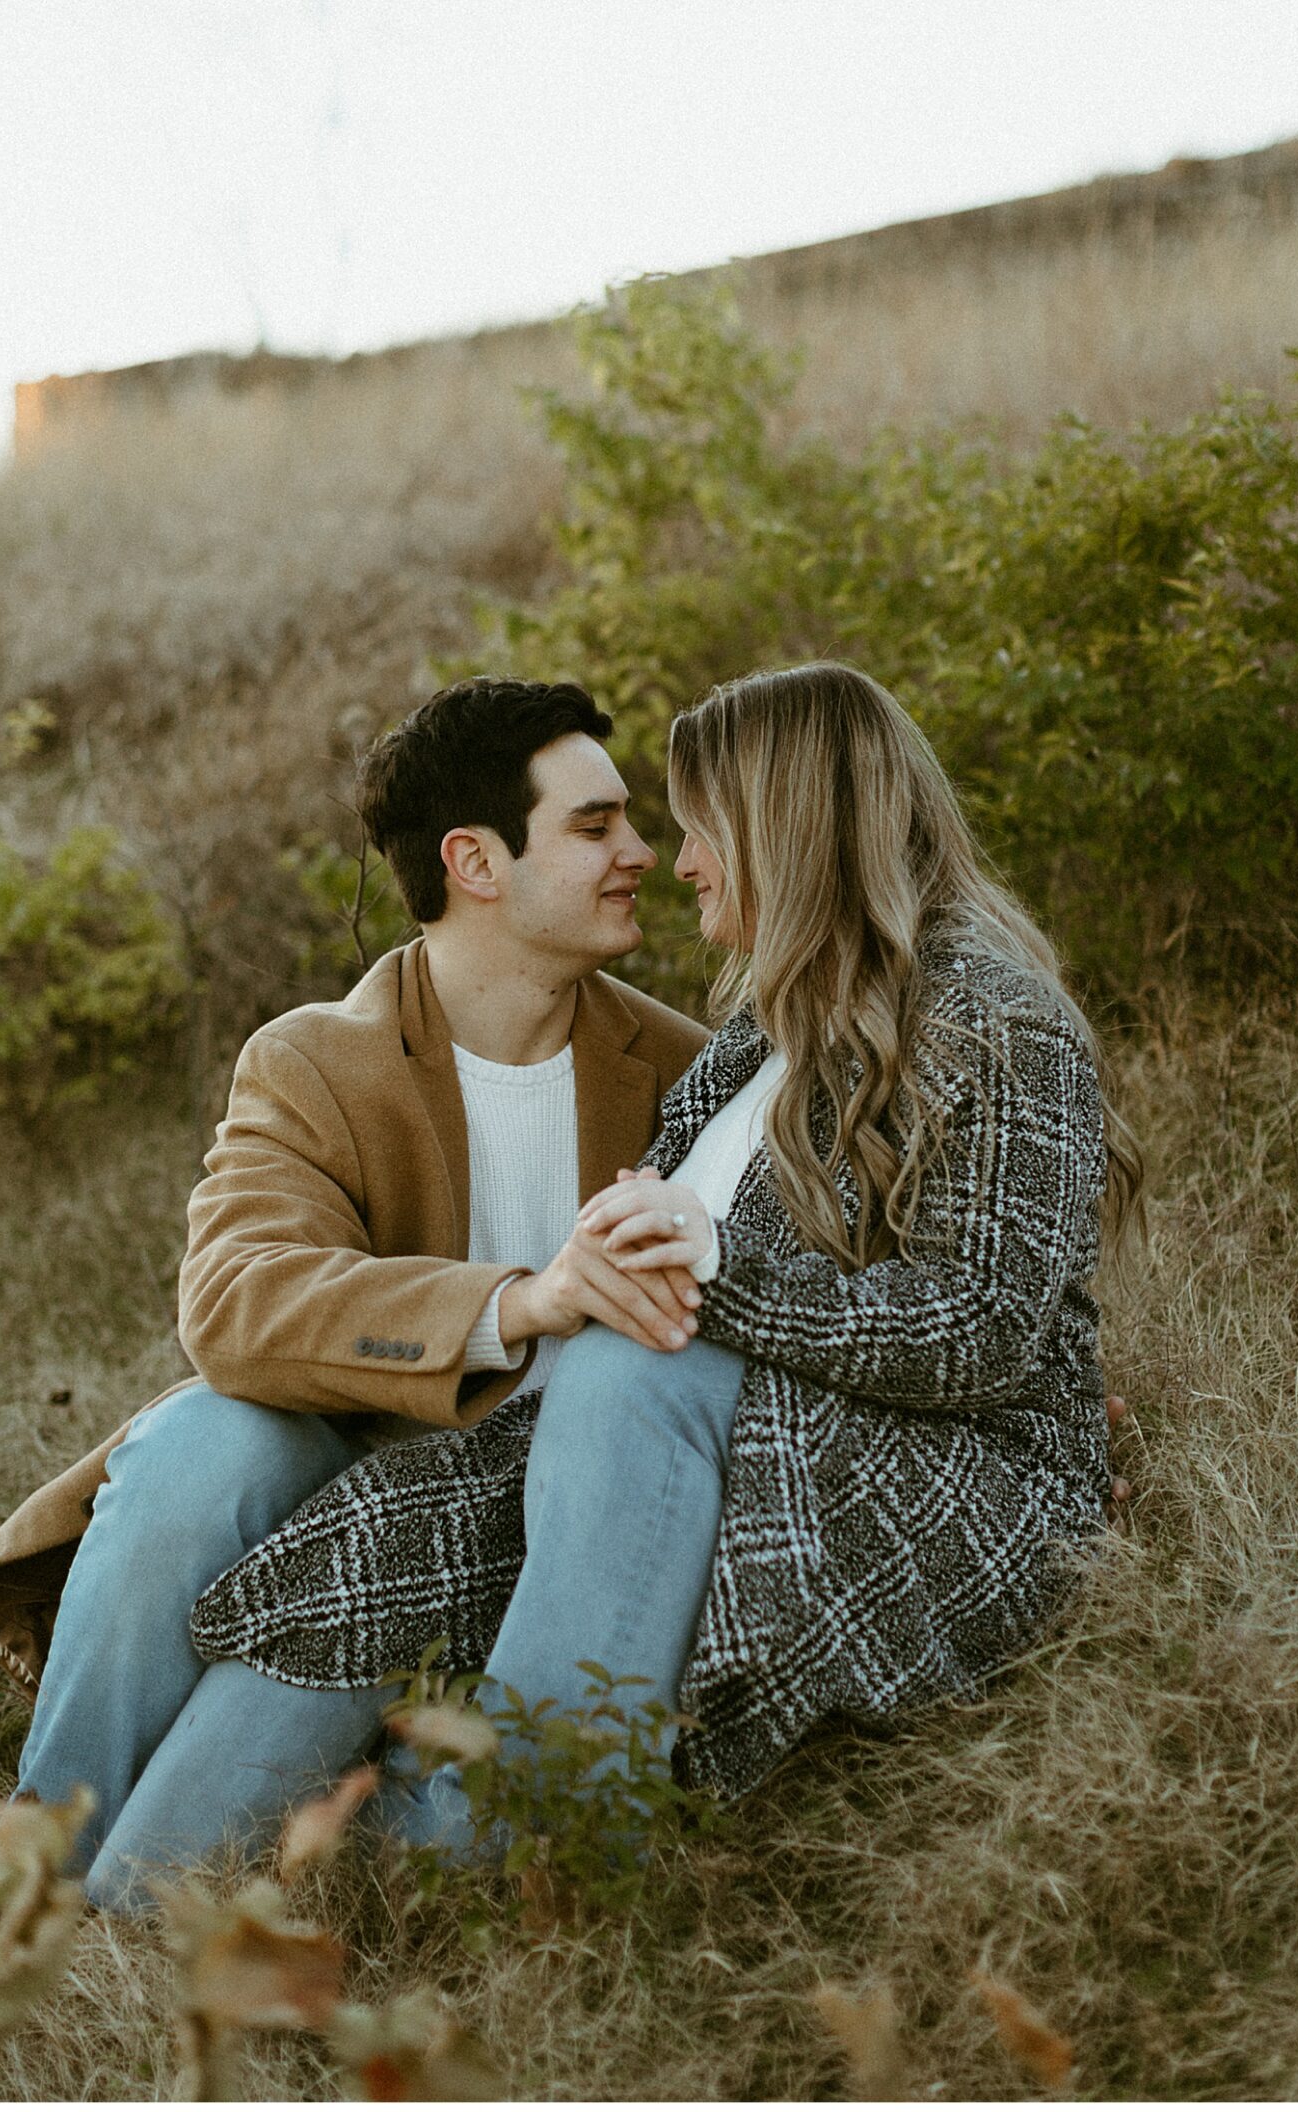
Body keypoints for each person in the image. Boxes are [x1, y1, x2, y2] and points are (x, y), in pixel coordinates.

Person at [193, 660, 1143, 1838]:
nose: (677, 859)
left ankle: (503, 1833)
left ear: (784, 831)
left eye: (700, 830)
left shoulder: (994, 1019)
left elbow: (984, 1329)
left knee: (609, 1381)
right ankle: (128, 1907)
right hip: (666, 1438)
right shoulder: (752, 1043)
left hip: (889, 1475)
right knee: (371, 1550)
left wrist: (707, 1270)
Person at [0, 677, 709, 1904]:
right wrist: (515, 1303)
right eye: (595, 826)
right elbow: (234, 1298)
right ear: (475, 861)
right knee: (194, 1450)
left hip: (549, 1533)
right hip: (346, 1478)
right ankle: (33, 1873)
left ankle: (124, 1913)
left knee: (256, 1490)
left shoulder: (679, 1066)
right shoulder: (318, 1058)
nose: (642, 852)